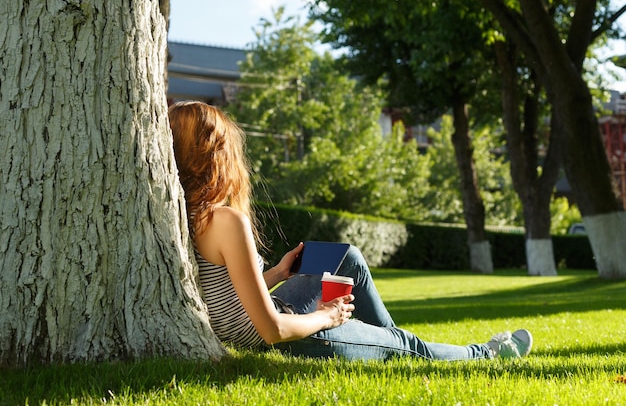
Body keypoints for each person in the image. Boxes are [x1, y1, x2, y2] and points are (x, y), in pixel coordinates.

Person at [168, 100, 533, 361]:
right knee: (407, 348)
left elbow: (227, 300)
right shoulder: (226, 220)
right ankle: (486, 353)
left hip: (273, 315)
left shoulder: (181, 214)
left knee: (349, 258)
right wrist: (327, 317)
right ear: (217, 155)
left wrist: (278, 273)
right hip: (293, 337)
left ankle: (390, 339)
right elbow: (271, 331)